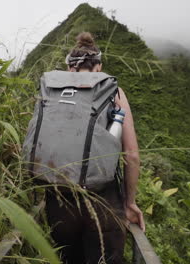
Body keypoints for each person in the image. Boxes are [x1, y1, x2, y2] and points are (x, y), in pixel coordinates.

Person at [45, 32, 145, 264]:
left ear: (69, 68)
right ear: (99, 66)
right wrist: (129, 202)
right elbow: (131, 155)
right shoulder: (114, 92)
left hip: (59, 201)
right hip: (103, 201)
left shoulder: (52, 92)